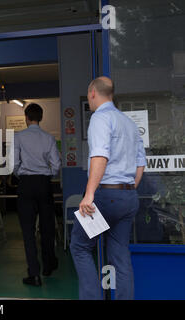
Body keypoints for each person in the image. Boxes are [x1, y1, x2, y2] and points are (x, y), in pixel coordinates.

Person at [70, 76, 146, 300]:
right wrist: (129, 188)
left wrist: (90, 194)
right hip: (128, 195)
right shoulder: (129, 122)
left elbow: (100, 156)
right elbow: (141, 163)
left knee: (80, 247)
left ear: (92, 93)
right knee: (120, 254)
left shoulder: (100, 119)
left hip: (104, 196)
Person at [13, 103, 61, 286]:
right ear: (40, 117)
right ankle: (48, 266)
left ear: (26, 117)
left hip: (26, 184)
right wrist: (48, 175)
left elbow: (14, 164)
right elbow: (56, 165)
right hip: (44, 183)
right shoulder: (48, 138)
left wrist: (21, 176)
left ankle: (34, 274)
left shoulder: (19, 137)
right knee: (47, 227)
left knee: (28, 230)